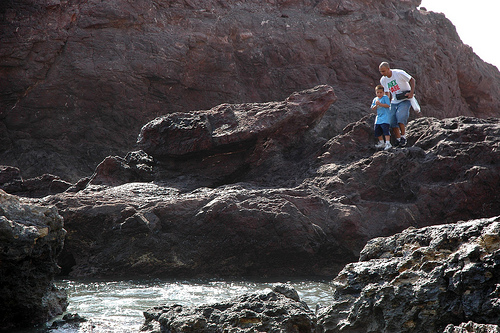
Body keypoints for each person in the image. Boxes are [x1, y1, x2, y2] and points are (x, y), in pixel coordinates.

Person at [378, 62, 415, 147]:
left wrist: (411, 93)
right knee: (391, 120)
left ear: (388, 69)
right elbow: (387, 93)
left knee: (401, 117)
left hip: (405, 99)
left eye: (383, 71)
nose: (382, 73)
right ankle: (398, 139)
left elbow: (412, 80)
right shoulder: (383, 80)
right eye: (380, 72)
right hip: (394, 101)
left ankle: (403, 137)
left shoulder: (398, 73)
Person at [371, 85, 392, 150]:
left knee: (385, 130)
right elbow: (373, 108)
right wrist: (376, 105)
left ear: (383, 92)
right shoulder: (375, 99)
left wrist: (380, 104)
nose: (379, 94)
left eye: (381, 92)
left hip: (385, 117)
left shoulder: (385, 97)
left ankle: (388, 143)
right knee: (377, 130)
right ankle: (381, 142)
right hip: (379, 118)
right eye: (378, 92)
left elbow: (388, 105)